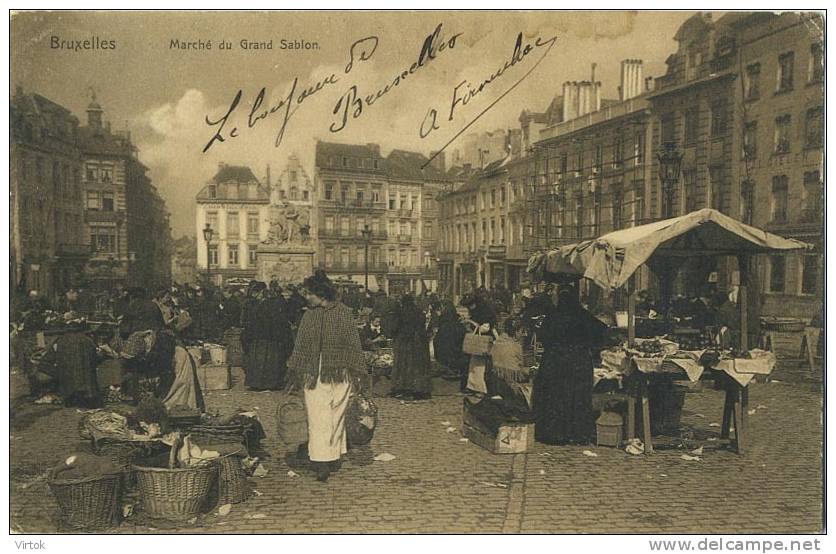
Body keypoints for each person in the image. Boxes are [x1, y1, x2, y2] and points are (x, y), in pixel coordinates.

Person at [286, 270, 365, 482]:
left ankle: (330, 455)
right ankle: (321, 461)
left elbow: (353, 344)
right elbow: (300, 344)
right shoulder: (308, 315)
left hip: (341, 372)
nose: (306, 297)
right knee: (318, 416)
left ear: (321, 293)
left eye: (309, 293)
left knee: (336, 416)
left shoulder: (344, 313)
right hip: (315, 372)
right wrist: (295, 370)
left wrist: (358, 373)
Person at [533, 283, 608, 445]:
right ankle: (577, 434)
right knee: (577, 398)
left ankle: (555, 434)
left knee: (555, 396)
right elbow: (602, 332)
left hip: (554, 361)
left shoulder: (552, 316)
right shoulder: (582, 315)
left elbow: (542, 336)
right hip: (578, 362)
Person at [241, 282, 294, 390]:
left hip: (260, 337)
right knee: (271, 360)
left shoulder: (259, 305)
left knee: (259, 360)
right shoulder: (273, 304)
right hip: (271, 338)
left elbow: (252, 321)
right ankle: (270, 383)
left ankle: (256, 382)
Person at [40, 323, 101, 408]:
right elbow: (96, 359)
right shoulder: (88, 341)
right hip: (88, 390)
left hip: (69, 390)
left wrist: (58, 373)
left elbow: (43, 363)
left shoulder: (59, 342)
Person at [389, 294, 433, 400]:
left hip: (405, 342)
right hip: (419, 343)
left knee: (404, 365)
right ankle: (419, 389)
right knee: (418, 366)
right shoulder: (419, 312)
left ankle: (404, 388)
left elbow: (394, 327)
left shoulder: (401, 312)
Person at [433, 300, 470, 392]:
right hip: (457, 358)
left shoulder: (443, 326)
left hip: (444, 359)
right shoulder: (459, 326)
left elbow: (436, 343)